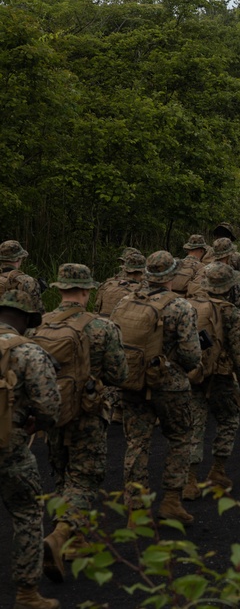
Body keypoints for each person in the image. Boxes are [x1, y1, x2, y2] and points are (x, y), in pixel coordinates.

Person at [33, 265, 127, 584]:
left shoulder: (38, 326)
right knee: (85, 476)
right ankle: (61, 536)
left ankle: (76, 538)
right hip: (88, 412)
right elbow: (119, 375)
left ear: (59, 289)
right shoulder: (102, 327)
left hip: (51, 412)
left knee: (61, 473)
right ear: (86, 292)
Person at [111, 251, 202, 524]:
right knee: (180, 438)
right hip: (170, 385)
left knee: (137, 443)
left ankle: (136, 508)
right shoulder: (181, 307)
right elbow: (191, 355)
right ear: (171, 276)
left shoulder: (125, 302)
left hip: (132, 382)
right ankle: (172, 501)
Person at [0, 291, 61, 609]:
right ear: (26, 319)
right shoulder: (28, 352)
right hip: (10, 449)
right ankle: (26, 594)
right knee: (27, 513)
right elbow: (50, 407)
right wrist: (37, 424)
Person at [182, 263, 240, 496]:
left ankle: (189, 481)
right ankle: (217, 471)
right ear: (229, 287)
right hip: (220, 376)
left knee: (195, 425)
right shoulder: (232, 313)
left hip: (192, 373)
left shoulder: (189, 306)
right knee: (229, 419)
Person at [95, 251, 145, 316]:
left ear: (125, 269)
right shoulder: (140, 291)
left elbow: (96, 309)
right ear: (143, 271)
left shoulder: (106, 284)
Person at [0, 240, 44, 313]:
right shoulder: (27, 281)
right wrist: (36, 290)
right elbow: (38, 312)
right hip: (16, 322)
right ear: (19, 258)